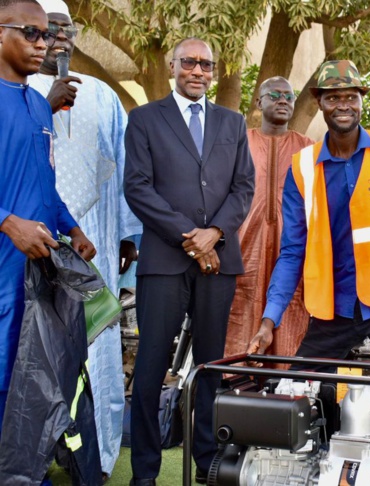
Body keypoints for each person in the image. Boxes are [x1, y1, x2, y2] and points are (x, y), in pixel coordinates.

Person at [247, 60, 370, 483]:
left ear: (361, 101)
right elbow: (292, 250)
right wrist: (269, 318)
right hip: (332, 309)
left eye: (350, 97)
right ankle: (308, 475)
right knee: (291, 400)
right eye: (333, 97)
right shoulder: (303, 168)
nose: (343, 105)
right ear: (319, 103)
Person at [123, 37, 255, 485]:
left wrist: (214, 234)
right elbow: (137, 187)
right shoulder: (144, 119)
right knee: (150, 367)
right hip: (164, 262)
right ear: (172, 66)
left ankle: (207, 462)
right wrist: (190, 238)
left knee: (212, 367)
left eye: (206, 65)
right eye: (190, 63)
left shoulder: (232, 123)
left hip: (219, 262)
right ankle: (144, 471)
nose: (198, 71)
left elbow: (244, 189)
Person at [27, 0, 142, 478]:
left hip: (92, 241)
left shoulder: (101, 94)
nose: (59, 38)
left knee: (93, 344)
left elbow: (122, 167)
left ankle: (92, 455)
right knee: (30, 350)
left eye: (67, 30)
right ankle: (29, 454)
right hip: (29, 245)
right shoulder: (15, 89)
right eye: (47, 30)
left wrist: (128, 236)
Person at [0, 0, 95, 435]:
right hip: (4, 260)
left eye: (48, 34)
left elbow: (42, 182)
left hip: (37, 267)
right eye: (31, 33)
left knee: (31, 373)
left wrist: (72, 228)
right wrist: (8, 222)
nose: (46, 43)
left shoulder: (40, 106)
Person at [225, 76, 313, 363]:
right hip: (242, 251)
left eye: (289, 95)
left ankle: (287, 392)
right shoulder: (238, 143)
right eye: (274, 95)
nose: (283, 100)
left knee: (291, 314)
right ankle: (236, 388)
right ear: (258, 102)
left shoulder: (309, 149)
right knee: (239, 313)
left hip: (293, 252)